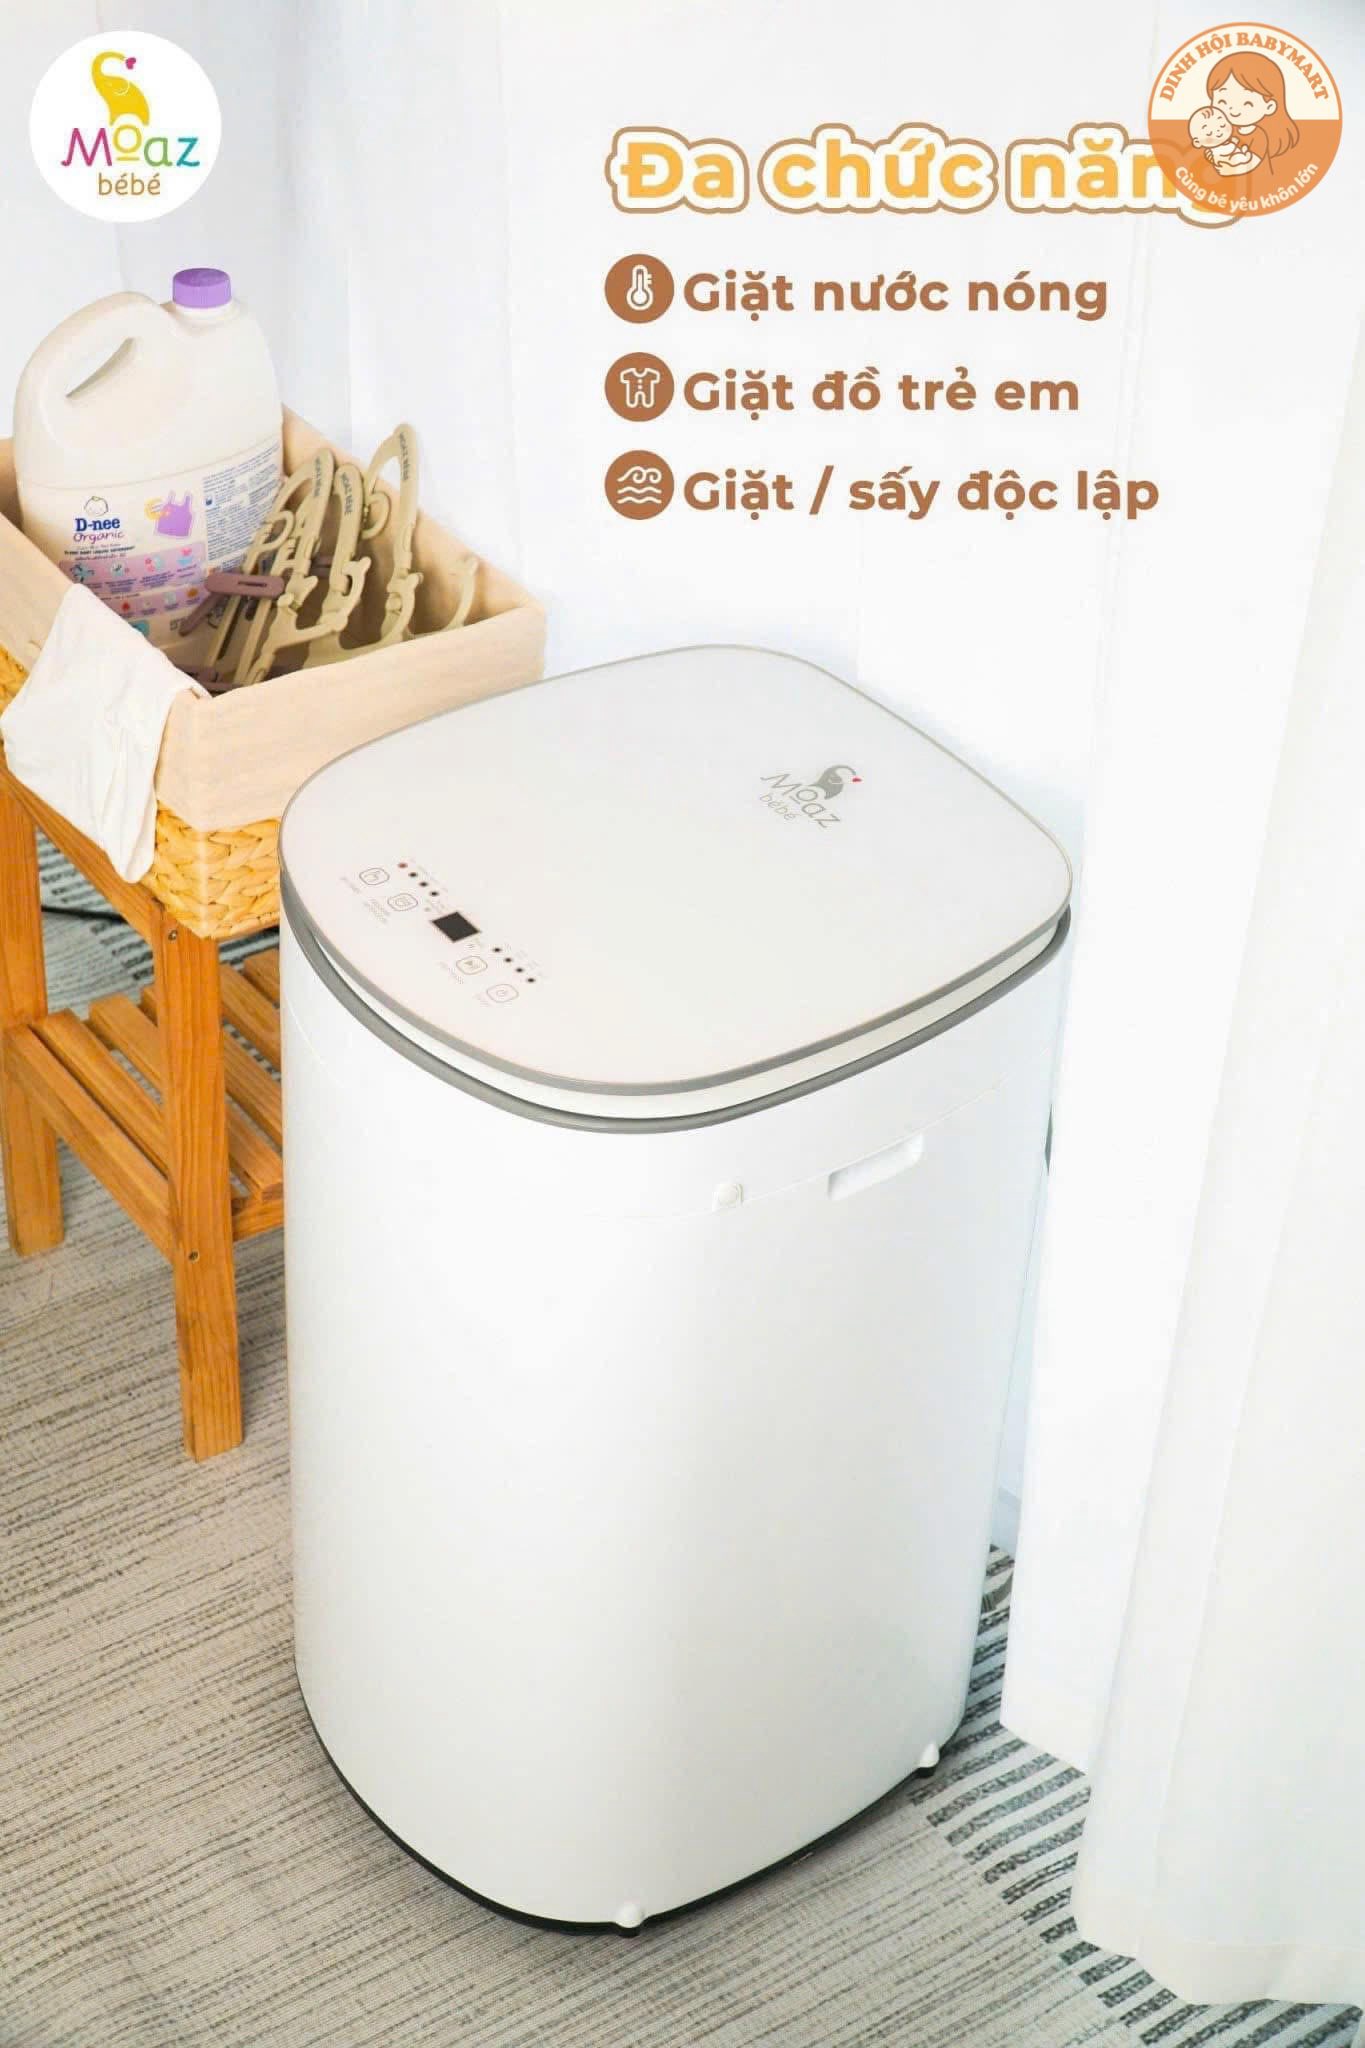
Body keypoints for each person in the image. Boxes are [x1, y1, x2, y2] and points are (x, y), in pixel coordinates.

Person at [1205, 51, 1299, 177]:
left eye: (1247, 103)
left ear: (1269, 107)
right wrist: (1212, 154)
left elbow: (1252, 163)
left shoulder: (1259, 135)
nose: (1233, 110)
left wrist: (1229, 171)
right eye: (1222, 101)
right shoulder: (1225, 130)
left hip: (1259, 180)